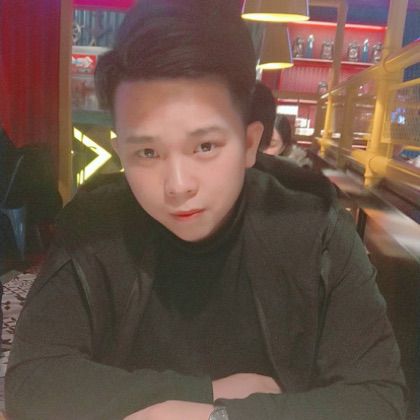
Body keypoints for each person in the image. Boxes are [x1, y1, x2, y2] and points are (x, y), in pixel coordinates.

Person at [6, 1, 406, 419]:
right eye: (147, 152)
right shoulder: (94, 225)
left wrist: (219, 417)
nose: (178, 185)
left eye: (205, 146)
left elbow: (379, 398)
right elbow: (31, 382)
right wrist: (206, 392)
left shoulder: (312, 228)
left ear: (249, 144)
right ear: (119, 150)